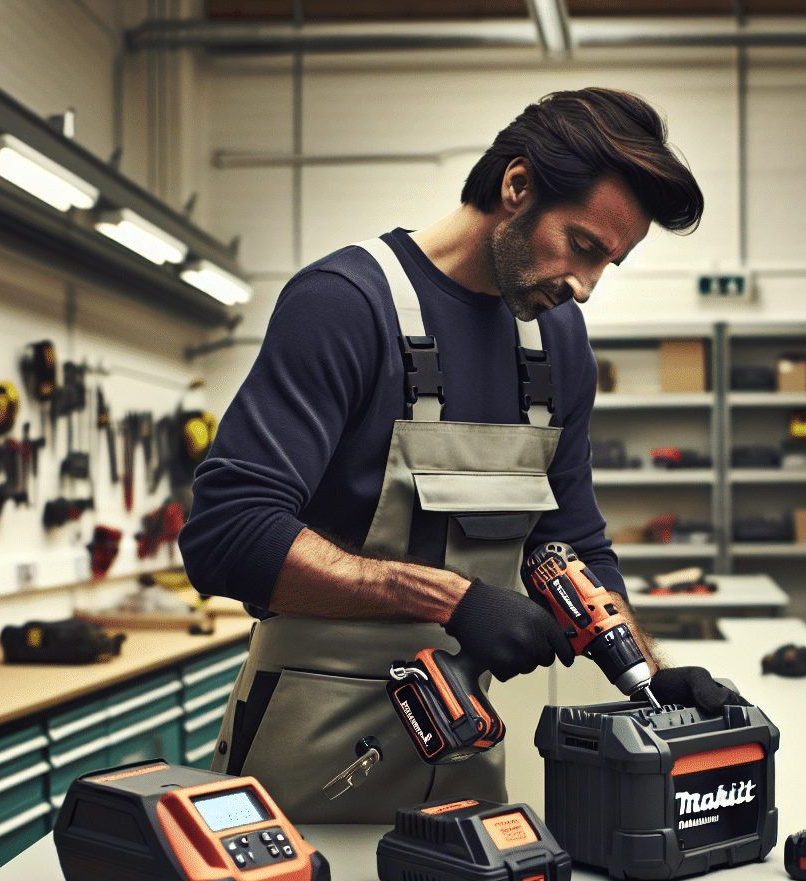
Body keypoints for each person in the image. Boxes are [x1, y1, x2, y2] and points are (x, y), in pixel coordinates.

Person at [181, 87, 749, 824]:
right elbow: (227, 538)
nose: (586, 286)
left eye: (611, 261)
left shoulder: (558, 344)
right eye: (582, 246)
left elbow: (566, 542)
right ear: (517, 187)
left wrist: (643, 673)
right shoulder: (346, 304)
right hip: (307, 751)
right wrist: (453, 601)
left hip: (463, 741)